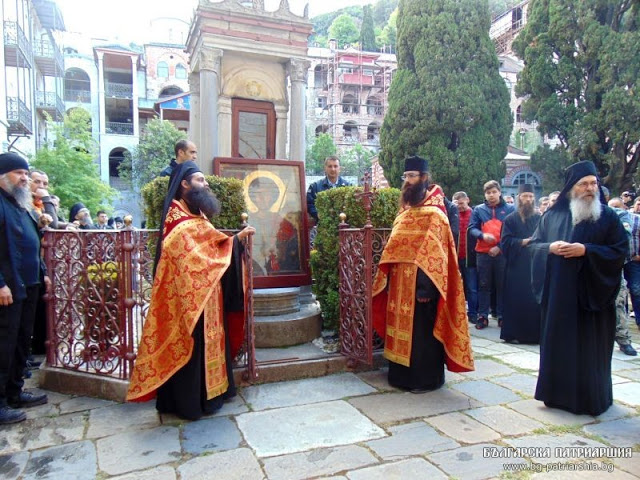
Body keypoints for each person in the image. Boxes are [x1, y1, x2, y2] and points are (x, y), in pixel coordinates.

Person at [127, 161, 255, 420]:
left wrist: (233, 243)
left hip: (207, 295)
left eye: (204, 180)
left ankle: (213, 394)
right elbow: (192, 258)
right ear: (184, 184)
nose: (205, 184)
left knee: (210, 344)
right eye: (199, 180)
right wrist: (236, 241)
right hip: (186, 301)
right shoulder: (177, 220)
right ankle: (190, 403)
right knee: (191, 347)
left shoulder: (196, 214)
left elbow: (212, 246)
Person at [529, 160, 628, 415]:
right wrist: (548, 248)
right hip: (559, 298)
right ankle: (556, 395)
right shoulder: (552, 215)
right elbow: (534, 246)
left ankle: (590, 399)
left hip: (591, 300)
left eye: (593, 183)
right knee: (559, 346)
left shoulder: (608, 217)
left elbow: (619, 251)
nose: (589, 188)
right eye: (583, 184)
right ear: (571, 188)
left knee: (589, 351)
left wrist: (587, 251)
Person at [372, 155, 474, 393]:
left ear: (424, 178)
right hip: (399, 283)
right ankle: (400, 377)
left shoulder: (435, 213)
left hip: (422, 286)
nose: (407, 181)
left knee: (421, 337)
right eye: (405, 176)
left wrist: (425, 288)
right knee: (400, 330)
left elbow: (436, 256)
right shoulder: (406, 209)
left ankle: (423, 380)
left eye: (412, 176)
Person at [0, 152, 50, 425]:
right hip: (8, 287)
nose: (24, 178)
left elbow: (32, 244)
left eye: (26, 174)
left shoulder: (20, 203)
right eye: (18, 173)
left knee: (22, 342)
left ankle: (15, 392)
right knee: (4, 344)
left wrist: (43, 274)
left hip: (28, 284)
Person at [468, 180, 515, 329]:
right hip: (483, 253)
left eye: (494, 192)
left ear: (500, 192)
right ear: (485, 195)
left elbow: (513, 232)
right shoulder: (478, 210)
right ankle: (483, 316)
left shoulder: (510, 209)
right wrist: (482, 236)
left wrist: (499, 247)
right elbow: (471, 228)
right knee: (483, 285)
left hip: (502, 253)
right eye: (488, 193)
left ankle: (502, 315)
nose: (491, 195)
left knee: (502, 285)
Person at [499, 184, 541, 344]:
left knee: (534, 300)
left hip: (535, 265)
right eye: (525, 196)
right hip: (517, 267)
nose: (528, 200)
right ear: (519, 198)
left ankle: (535, 335)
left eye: (531, 197)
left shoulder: (539, 218)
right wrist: (523, 242)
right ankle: (513, 333)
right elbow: (505, 242)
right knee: (516, 299)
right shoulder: (510, 219)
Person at [607, 197, 638, 356]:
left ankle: (624, 339)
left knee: (619, 303)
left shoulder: (619, 215)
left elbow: (623, 239)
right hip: (592, 266)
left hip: (613, 267)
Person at [452, 191, 478, 324]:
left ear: (467, 200)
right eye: (457, 204)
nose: (460, 207)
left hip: (470, 257)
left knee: (472, 286)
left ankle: (473, 313)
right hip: (455, 256)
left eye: (461, 203)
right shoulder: (452, 215)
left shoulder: (474, 214)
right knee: (456, 286)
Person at [306, 156, 351, 224]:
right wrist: (317, 214)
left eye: (335, 166)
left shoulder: (348, 186)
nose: (333, 169)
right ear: (325, 168)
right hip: (323, 225)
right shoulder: (315, 186)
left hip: (344, 225)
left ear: (340, 168)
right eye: (330, 166)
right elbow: (309, 204)